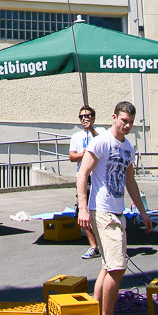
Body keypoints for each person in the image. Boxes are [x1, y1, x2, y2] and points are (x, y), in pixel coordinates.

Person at [77, 101, 152, 315]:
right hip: (101, 211)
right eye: (123, 121)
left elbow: (131, 182)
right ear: (114, 117)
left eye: (130, 122)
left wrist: (143, 213)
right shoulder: (101, 142)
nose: (127, 125)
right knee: (118, 267)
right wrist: (83, 208)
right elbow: (82, 174)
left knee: (109, 266)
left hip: (119, 213)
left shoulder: (128, 148)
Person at [69, 105, 101, 259]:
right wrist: (83, 154)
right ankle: (94, 246)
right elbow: (71, 156)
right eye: (81, 117)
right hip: (84, 177)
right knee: (84, 212)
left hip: (99, 176)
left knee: (101, 211)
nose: (84, 119)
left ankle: (104, 244)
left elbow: (104, 145)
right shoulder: (76, 137)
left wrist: (93, 130)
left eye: (87, 116)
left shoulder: (101, 132)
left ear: (93, 118)